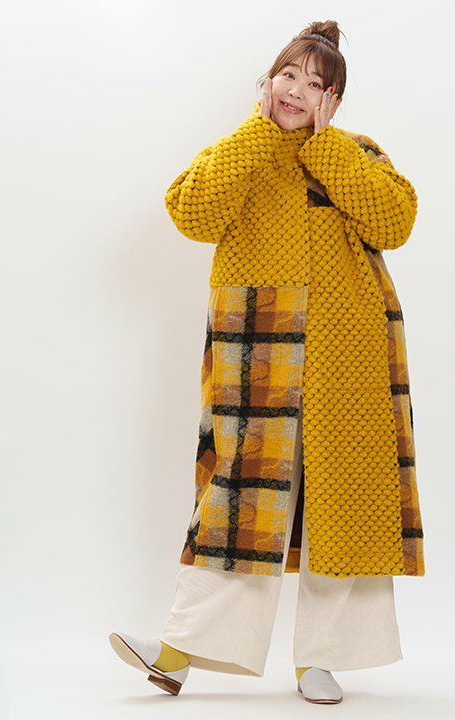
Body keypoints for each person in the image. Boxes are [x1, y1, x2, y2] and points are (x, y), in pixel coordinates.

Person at [109, 19, 425, 704]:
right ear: (267, 81)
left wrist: (326, 146)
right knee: (236, 504)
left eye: (316, 84)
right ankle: (177, 651)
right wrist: (258, 135)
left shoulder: (356, 152)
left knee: (344, 504)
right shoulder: (241, 152)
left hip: (349, 357)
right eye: (288, 75)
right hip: (258, 353)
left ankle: (321, 661)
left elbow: (394, 223)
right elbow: (191, 213)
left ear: (333, 100)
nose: (297, 90)